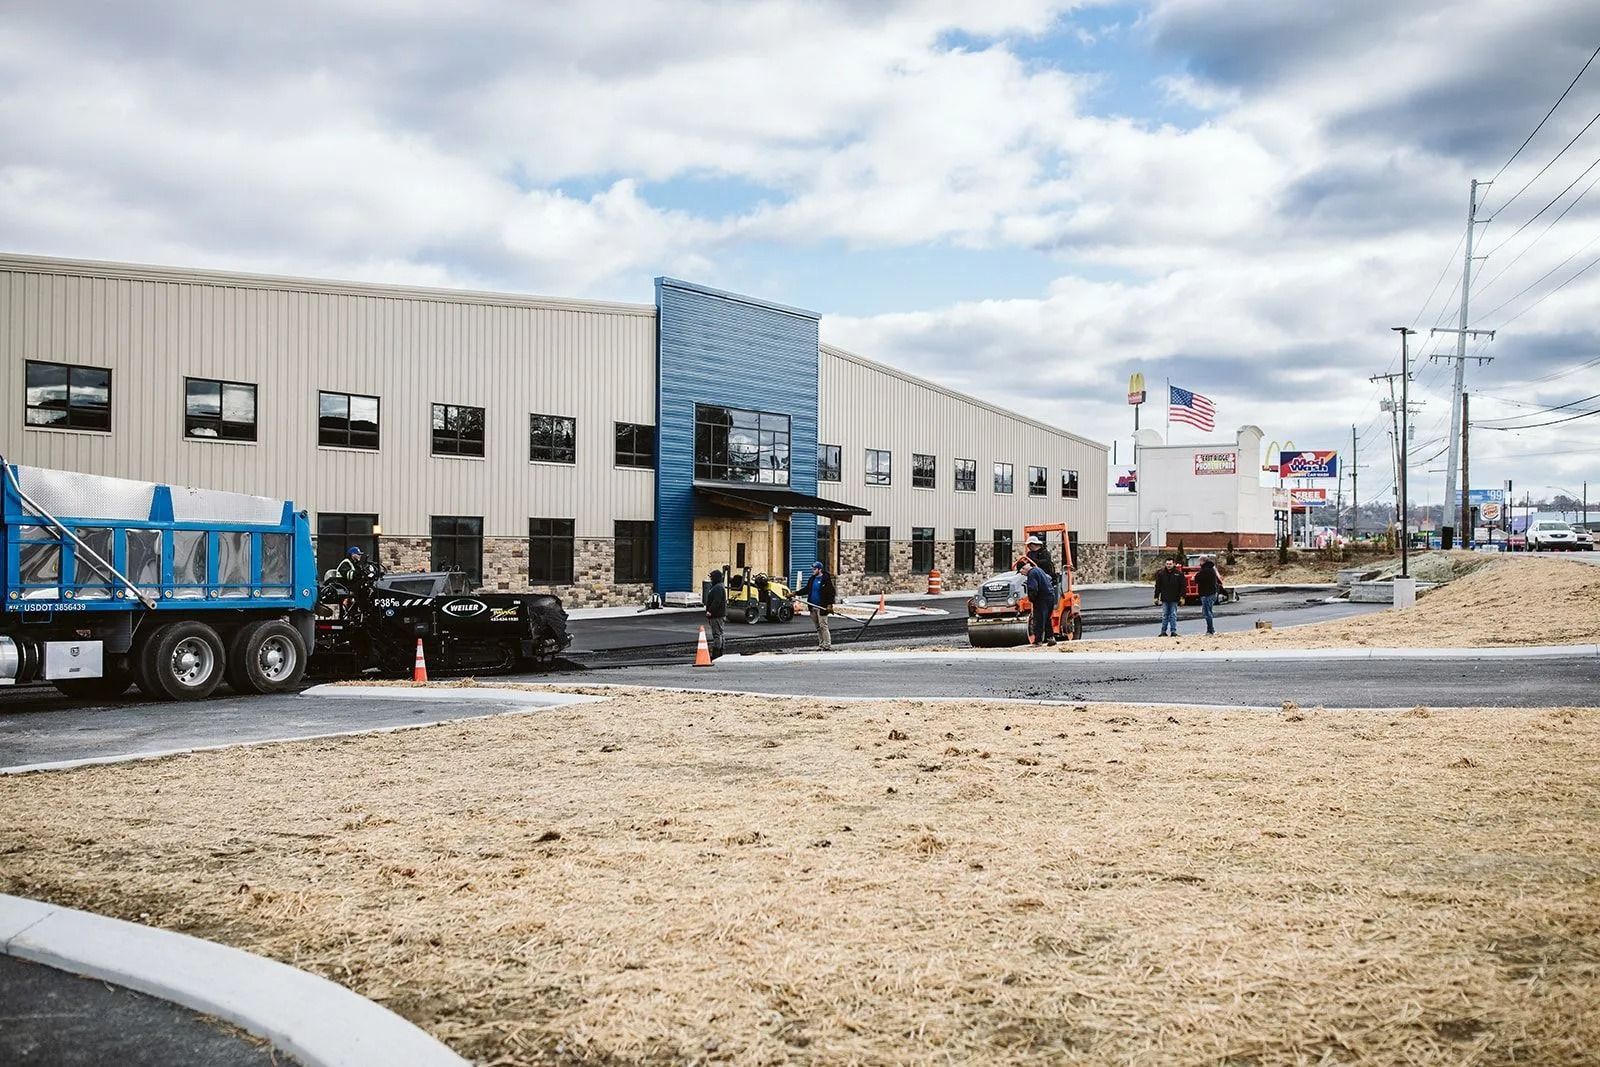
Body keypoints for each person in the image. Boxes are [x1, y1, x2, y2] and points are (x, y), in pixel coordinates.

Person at [1018, 557, 1058, 646]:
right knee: (1047, 618)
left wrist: (1031, 599)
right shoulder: (1038, 570)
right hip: (1050, 597)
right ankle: (1050, 638)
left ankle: (1038, 641)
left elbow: (1033, 588)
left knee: (1039, 619)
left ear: (1024, 568)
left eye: (1021, 572)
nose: (1023, 574)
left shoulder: (1031, 574)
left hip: (1041, 599)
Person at [803, 561, 836, 651]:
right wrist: (795, 593)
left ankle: (827, 645)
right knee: (818, 627)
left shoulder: (825, 579)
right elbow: (806, 589)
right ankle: (821, 644)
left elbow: (831, 593)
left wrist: (829, 605)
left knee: (823, 626)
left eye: (814, 569)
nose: (812, 571)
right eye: (812, 569)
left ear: (819, 569)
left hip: (822, 607)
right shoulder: (812, 579)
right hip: (812, 606)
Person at [1153, 557, 1186, 637]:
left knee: (1173, 615)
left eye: (1170, 564)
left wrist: (1182, 597)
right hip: (1165, 598)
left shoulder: (1179, 574)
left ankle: (1173, 631)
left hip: (1174, 598)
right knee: (1165, 615)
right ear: (1165, 564)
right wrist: (1156, 597)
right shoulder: (1161, 574)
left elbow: (1182, 586)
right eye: (1167, 564)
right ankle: (1163, 631)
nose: (1168, 565)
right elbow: (1158, 586)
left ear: (1173, 564)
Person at [1194, 557, 1225, 635]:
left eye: (1200, 561)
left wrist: (1195, 577)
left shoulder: (1205, 570)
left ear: (1203, 561)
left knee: (1207, 612)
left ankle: (1210, 630)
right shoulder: (1211, 569)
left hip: (1206, 593)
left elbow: (1197, 579)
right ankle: (1210, 629)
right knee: (1208, 611)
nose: (1199, 563)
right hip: (1211, 593)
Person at [704, 569, 727, 659]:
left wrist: (710, 611)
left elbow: (716, 601)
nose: (711, 579)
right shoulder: (718, 586)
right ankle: (720, 651)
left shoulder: (717, 588)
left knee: (717, 634)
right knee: (720, 633)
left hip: (717, 615)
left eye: (712, 577)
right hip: (719, 614)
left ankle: (717, 653)